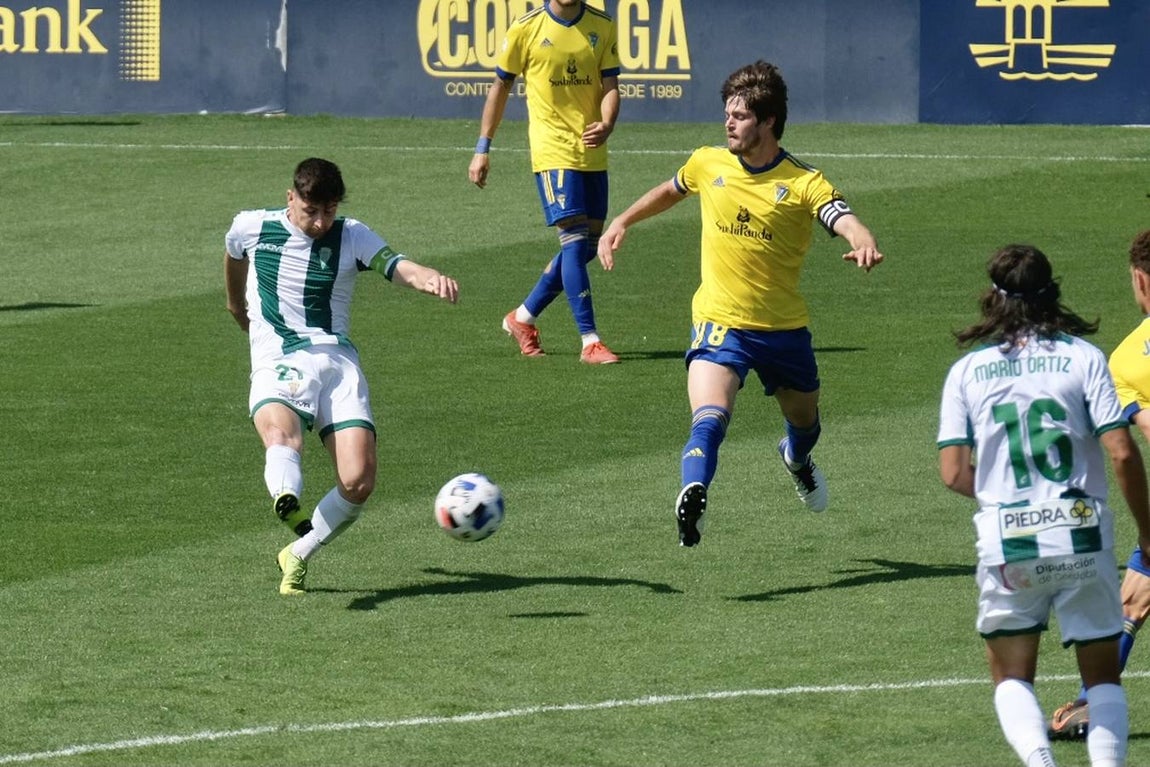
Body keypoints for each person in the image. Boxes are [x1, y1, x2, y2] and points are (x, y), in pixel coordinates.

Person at [596, 60, 883, 546]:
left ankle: (795, 458)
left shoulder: (803, 182)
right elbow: (671, 190)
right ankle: (693, 492)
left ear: (768, 121)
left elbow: (842, 217)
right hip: (720, 323)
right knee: (709, 419)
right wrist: (622, 220)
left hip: (784, 331)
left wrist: (864, 240)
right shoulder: (708, 162)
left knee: (805, 424)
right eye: (727, 114)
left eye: (741, 116)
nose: (728, 123)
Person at [937, 243, 1150, 767]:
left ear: (992, 297)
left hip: (1009, 541)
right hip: (1080, 533)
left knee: (1012, 677)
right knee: (1102, 679)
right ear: (1052, 291)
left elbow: (954, 473)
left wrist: (1010, 495)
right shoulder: (1085, 358)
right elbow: (1123, 452)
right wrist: (1147, 533)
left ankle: (1039, 761)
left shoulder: (968, 371)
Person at [225, 157, 459, 595]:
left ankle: (298, 551)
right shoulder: (252, 227)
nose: (320, 222)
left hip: (338, 364)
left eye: (329, 211)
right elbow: (234, 255)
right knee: (282, 436)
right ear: (290, 198)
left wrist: (427, 277)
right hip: (280, 358)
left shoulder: (352, 235)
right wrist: (236, 305)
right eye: (310, 211)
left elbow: (396, 265)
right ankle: (287, 499)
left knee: (358, 481)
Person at [468, 0, 621, 364]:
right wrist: (482, 147)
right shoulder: (526, 28)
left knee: (587, 247)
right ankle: (590, 341)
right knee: (574, 242)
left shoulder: (602, 25)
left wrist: (607, 123)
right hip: (552, 151)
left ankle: (522, 318)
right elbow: (500, 87)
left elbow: (610, 85)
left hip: (592, 152)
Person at [1049, 229, 1150, 740]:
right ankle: (1092, 701)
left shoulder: (1128, 359)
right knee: (1137, 592)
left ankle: (1093, 701)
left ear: (1141, 281)